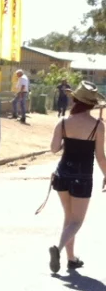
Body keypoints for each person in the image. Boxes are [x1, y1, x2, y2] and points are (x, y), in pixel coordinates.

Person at [46, 81, 106, 273]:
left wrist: (68, 141)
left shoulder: (63, 122)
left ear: (75, 100)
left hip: (62, 174)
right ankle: (58, 248)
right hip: (83, 177)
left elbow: (54, 149)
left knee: (69, 218)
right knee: (77, 221)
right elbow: (100, 156)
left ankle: (71, 259)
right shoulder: (98, 126)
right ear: (91, 104)